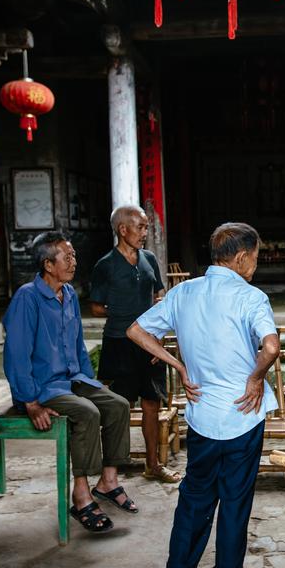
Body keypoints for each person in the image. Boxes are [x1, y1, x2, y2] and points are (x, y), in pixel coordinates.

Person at [127, 222, 278, 568]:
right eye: (255, 260)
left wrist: (176, 364)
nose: (255, 267)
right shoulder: (251, 297)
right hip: (243, 415)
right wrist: (256, 377)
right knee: (235, 501)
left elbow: (136, 330)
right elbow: (271, 347)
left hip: (202, 414)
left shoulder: (184, 293)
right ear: (241, 258)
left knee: (195, 495)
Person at [3, 232, 134, 534]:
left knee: (117, 405)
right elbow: (17, 355)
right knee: (87, 413)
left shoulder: (69, 294)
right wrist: (30, 402)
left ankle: (108, 481)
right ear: (48, 264)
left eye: (74, 255)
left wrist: (90, 381)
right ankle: (81, 495)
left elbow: (77, 346)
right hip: (41, 388)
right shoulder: (28, 298)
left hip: (72, 379)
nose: (74, 262)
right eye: (67, 256)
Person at [90, 205, 180, 483]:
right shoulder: (105, 265)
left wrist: (158, 336)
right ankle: (111, 471)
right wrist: (124, 314)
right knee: (119, 405)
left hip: (149, 343)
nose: (145, 233)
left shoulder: (149, 259)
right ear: (123, 229)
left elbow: (160, 299)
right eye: (140, 227)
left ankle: (152, 464)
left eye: (146, 227)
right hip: (118, 342)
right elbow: (95, 307)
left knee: (152, 403)